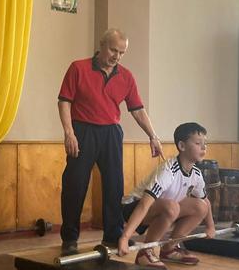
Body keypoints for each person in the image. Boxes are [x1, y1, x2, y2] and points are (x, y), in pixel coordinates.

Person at [58, 28, 163, 255]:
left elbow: (137, 110)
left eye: (122, 53)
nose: (117, 56)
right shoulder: (78, 68)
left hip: (111, 133)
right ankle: (70, 238)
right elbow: (64, 101)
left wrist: (153, 136)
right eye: (114, 50)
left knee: (114, 185)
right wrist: (69, 133)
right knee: (75, 184)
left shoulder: (126, 76)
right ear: (102, 45)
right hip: (83, 131)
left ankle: (113, 235)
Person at [118, 122, 216, 269]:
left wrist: (210, 227)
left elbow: (205, 201)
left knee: (201, 206)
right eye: (198, 143)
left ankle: (169, 248)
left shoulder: (196, 173)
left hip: (165, 207)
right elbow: (144, 204)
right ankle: (145, 252)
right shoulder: (168, 170)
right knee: (172, 207)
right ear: (182, 146)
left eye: (205, 144)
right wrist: (125, 238)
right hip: (133, 208)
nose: (203, 147)